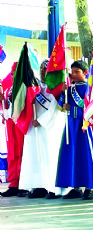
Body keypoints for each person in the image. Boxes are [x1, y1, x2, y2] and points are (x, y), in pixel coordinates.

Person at [18, 59, 66, 199]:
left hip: (50, 127)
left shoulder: (56, 88)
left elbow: (54, 107)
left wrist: (41, 121)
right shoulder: (36, 86)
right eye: (42, 69)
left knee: (50, 156)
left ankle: (53, 188)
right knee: (35, 157)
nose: (44, 71)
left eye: (47, 69)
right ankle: (39, 186)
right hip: (33, 126)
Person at [56, 60, 93, 200]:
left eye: (76, 72)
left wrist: (72, 108)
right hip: (71, 126)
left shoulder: (89, 88)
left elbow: (89, 107)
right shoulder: (69, 89)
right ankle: (75, 186)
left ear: (85, 72)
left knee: (86, 155)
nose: (73, 74)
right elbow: (60, 106)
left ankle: (89, 188)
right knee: (72, 155)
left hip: (84, 127)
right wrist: (63, 95)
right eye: (72, 72)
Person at [0, 62, 28, 197]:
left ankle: (23, 184)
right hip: (10, 126)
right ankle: (13, 184)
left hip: (22, 125)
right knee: (12, 155)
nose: (12, 76)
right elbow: (5, 106)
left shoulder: (26, 87)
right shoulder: (7, 89)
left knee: (23, 153)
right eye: (11, 74)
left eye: (14, 74)